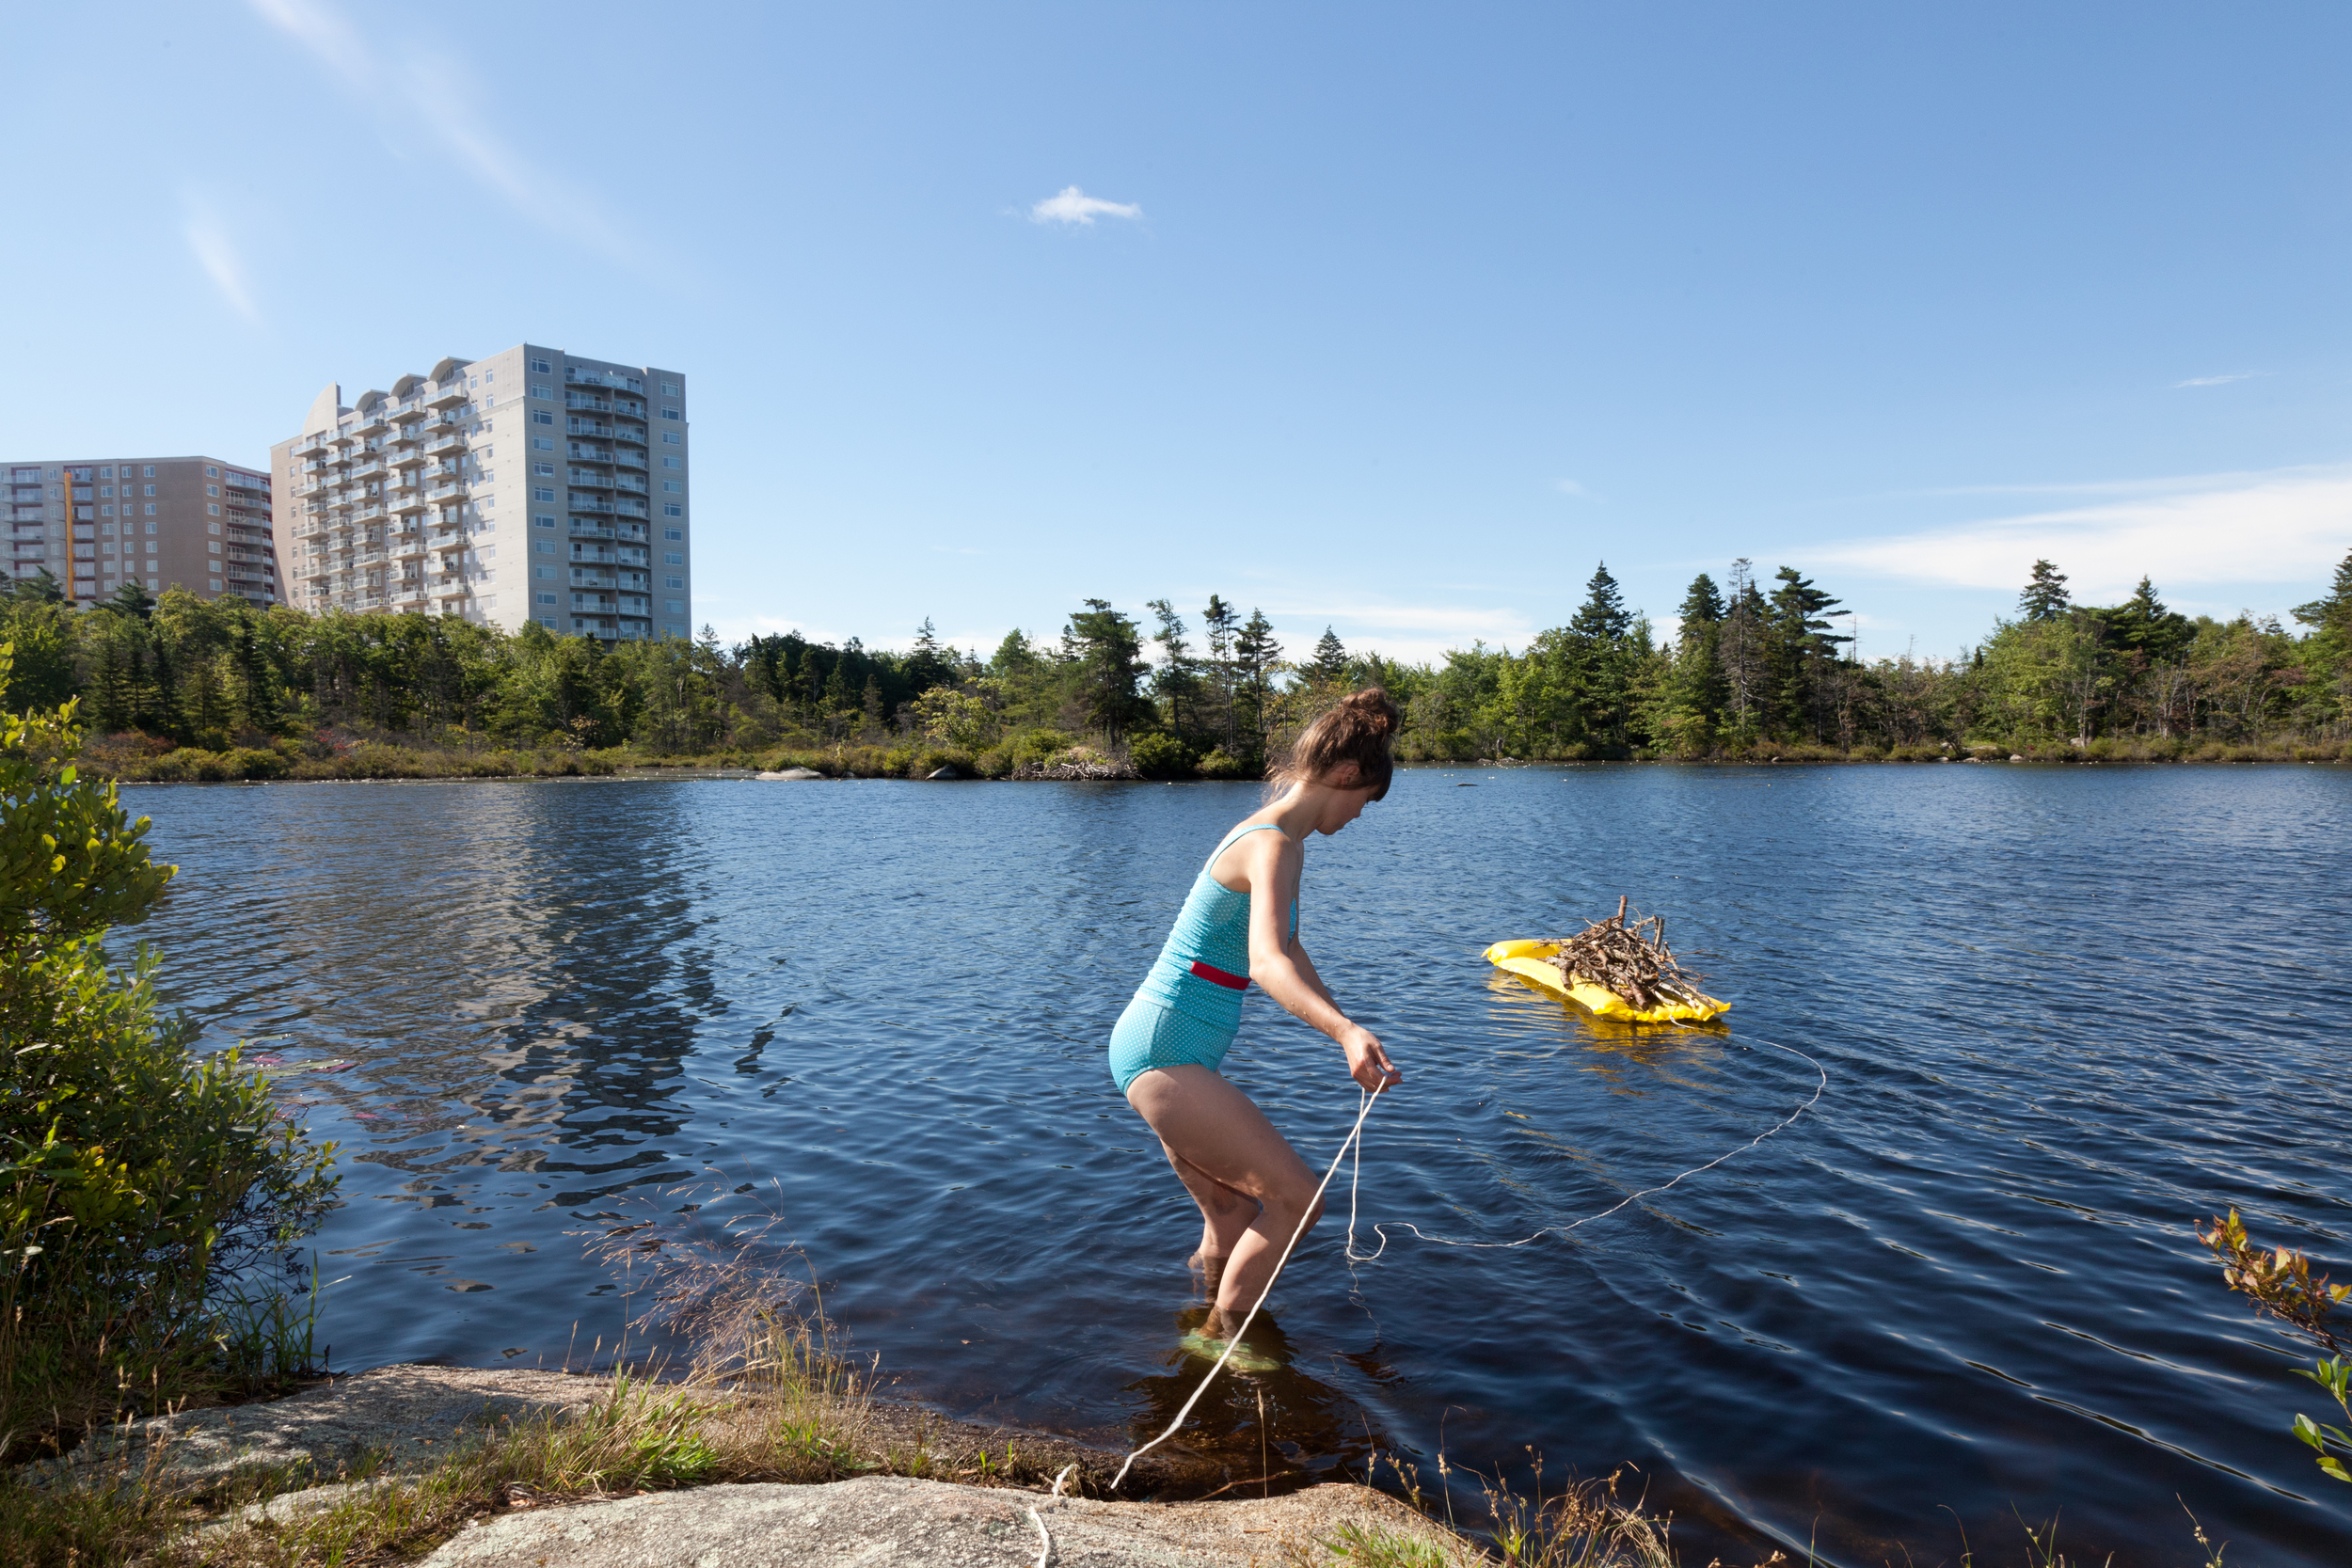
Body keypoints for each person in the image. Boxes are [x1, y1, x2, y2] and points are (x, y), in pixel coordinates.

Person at [1107, 688, 1405, 1347]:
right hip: (1165, 1047)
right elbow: (1267, 964)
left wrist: (1345, 1024)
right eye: (1365, 800)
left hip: (1167, 1045)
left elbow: (1290, 947)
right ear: (1348, 775)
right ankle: (1222, 1340)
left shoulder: (1280, 842)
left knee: (1234, 1211)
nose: (1360, 815)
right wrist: (1344, 1032)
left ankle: (1200, 1318)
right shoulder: (1270, 843)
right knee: (1301, 1203)